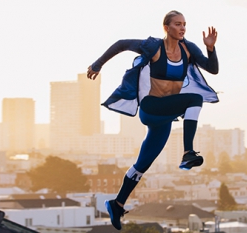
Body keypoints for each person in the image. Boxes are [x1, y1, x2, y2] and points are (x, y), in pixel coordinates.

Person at [86, 10, 219, 230]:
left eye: (184, 24)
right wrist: (98, 64)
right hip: (150, 108)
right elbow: (120, 44)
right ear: (166, 27)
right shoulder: (153, 47)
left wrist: (210, 48)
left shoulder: (188, 48)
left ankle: (117, 203)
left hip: (165, 116)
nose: (182, 28)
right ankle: (188, 153)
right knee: (195, 99)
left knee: (142, 165)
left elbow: (212, 69)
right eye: (177, 24)